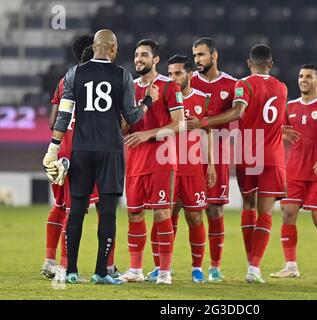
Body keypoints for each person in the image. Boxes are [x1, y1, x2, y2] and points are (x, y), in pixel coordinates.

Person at [42, 29, 153, 285]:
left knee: (76, 212)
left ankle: (70, 271)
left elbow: (64, 115)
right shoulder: (122, 75)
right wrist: (148, 101)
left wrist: (54, 147)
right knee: (108, 214)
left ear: (94, 46)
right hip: (110, 152)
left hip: (81, 151)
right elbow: (134, 117)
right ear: (113, 49)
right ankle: (102, 272)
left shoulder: (74, 74)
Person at [187, 44, 291, 283]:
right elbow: (277, 117)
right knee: (266, 212)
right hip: (274, 157)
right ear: (271, 65)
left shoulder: (242, 84)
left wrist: (203, 122)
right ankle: (253, 268)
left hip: (248, 155)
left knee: (248, 207)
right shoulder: (282, 88)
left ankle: (247, 262)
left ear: (248, 63)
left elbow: (238, 113)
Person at [145, 54, 216, 283]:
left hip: (193, 168)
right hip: (167, 165)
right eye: (171, 73)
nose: (174, 78)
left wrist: (212, 164)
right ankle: (161, 267)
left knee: (195, 217)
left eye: (178, 73)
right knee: (164, 217)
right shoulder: (163, 96)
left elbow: (208, 132)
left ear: (190, 74)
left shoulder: (203, 99)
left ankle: (197, 267)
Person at [40, 35, 105, 279]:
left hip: (61, 151)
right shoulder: (102, 82)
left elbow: (52, 121)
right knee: (86, 209)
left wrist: (59, 142)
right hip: (86, 152)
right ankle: (70, 267)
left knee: (60, 206)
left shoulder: (64, 80)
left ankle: (50, 261)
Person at [121, 39, 185, 285]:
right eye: (137, 54)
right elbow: (125, 127)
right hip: (135, 160)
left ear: (155, 59)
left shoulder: (169, 87)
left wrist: (147, 134)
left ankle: (164, 272)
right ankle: (135, 270)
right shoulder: (129, 87)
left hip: (162, 159)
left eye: (144, 55)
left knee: (161, 213)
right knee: (135, 214)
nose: (139, 58)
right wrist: (126, 124)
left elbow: (179, 124)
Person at [270, 64, 317, 279]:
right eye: (301, 76)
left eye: (309, 76)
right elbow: (276, 130)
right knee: (287, 214)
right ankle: (290, 266)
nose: (303, 80)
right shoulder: (289, 106)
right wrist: (281, 132)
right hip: (293, 171)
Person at [189, 37, 237, 281]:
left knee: (215, 211)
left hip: (218, 153)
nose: (197, 60)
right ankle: (167, 266)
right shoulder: (188, 82)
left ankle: (215, 266)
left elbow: (237, 112)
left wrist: (205, 122)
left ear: (214, 55)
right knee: (180, 210)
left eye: (202, 55)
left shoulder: (231, 84)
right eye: (195, 55)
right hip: (188, 154)